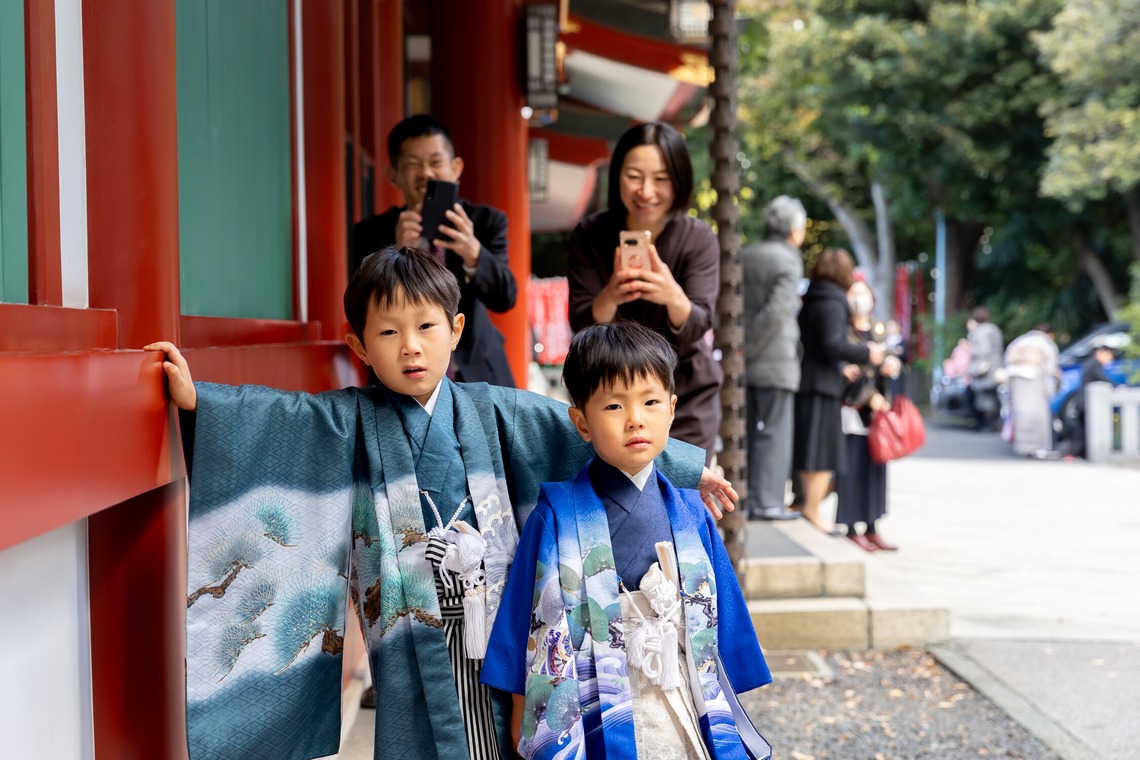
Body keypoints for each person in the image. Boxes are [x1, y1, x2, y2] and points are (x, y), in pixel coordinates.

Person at [144, 247, 736, 760]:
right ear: (359, 345)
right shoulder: (348, 419)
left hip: (503, 622)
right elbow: (282, 422)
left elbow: (586, 427)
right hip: (412, 627)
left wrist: (686, 469)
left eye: (427, 328)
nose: (411, 348)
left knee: (516, 735)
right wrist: (206, 406)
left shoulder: (492, 410)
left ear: (455, 331)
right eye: (388, 333)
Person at [481, 321, 773, 760]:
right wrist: (528, 725)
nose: (636, 418)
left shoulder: (692, 513)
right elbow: (528, 630)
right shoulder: (556, 516)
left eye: (651, 402)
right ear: (581, 421)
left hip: (681, 697)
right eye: (614, 406)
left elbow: (720, 642)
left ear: (671, 411)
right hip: (592, 703)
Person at [567, 121, 723, 465]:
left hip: (685, 395)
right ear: (617, 175)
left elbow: (699, 323)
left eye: (661, 178)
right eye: (634, 176)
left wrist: (672, 294)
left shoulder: (698, 238)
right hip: (612, 395)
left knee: (683, 501)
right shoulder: (591, 234)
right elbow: (581, 322)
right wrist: (611, 294)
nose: (646, 191)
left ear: (679, 180)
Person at [350, 114, 517, 387]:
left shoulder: (485, 222)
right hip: (402, 376)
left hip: (477, 372)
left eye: (436, 162)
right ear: (394, 175)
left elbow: (506, 298)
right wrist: (396, 255)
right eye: (413, 164)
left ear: (456, 167)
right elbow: (361, 308)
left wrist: (473, 253)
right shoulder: (371, 233)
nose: (426, 173)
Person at [792, 248, 884, 533]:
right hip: (821, 384)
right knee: (821, 452)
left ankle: (804, 503)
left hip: (807, 380)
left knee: (809, 448)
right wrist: (866, 352)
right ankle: (812, 508)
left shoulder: (812, 298)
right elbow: (832, 343)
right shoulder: (833, 301)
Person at [741, 195, 807, 521]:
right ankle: (768, 502)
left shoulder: (746, 255)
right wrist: (751, 345)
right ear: (794, 230)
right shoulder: (789, 259)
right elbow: (778, 312)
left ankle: (750, 499)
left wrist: (741, 349)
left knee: (750, 432)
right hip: (776, 360)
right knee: (775, 433)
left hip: (745, 362)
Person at [835, 278, 902, 552]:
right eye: (854, 292)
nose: (860, 297)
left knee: (875, 469)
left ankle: (872, 525)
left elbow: (888, 359)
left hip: (876, 414)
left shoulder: (878, 329)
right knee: (851, 468)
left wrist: (890, 366)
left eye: (863, 292)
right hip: (852, 409)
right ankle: (851, 525)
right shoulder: (842, 329)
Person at [1003, 323, 1060, 457]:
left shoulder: (1020, 340)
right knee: (1038, 415)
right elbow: (1050, 368)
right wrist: (1050, 391)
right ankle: (1039, 448)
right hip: (1035, 379)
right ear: (1049, 334)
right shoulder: (1046, 343)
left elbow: (1007, 359)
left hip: (1015, 379)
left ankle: (1021, 447)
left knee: (1020, 413)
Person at [1065, 344, 1116, 458]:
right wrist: (1116, 386)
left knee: (1082, 429)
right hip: (1085, 403)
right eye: (1109, 356)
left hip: (1082, 401)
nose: (1110, 360)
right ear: (1101, 353)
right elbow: (1103, 379)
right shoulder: (1095, 365)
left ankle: (1077, 453)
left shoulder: (1090, 363)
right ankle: (1074, 453)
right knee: (1083, 430)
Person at [965, 306, 1004, 431]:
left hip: (984, 370)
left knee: (984, 399)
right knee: (992, 397)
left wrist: (969, 347)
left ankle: (986, 425)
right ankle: (991, 424)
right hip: (995, 368)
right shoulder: (993, 329)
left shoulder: (981, 331)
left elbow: (983, 350)